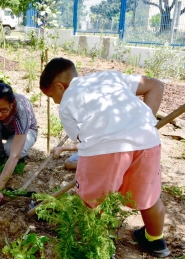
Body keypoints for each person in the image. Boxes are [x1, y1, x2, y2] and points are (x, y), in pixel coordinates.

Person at [39, 57, 170, 258]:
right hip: (147, 141)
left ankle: (100, 249)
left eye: (51, 96)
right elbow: (155, 86)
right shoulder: (109, 76)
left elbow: (84, 140)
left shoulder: (66, 103)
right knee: (150, 197)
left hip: (104, 149)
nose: (54, 101)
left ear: (60, 86)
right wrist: (144, 123)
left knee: (94, 201)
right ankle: (155, 240)